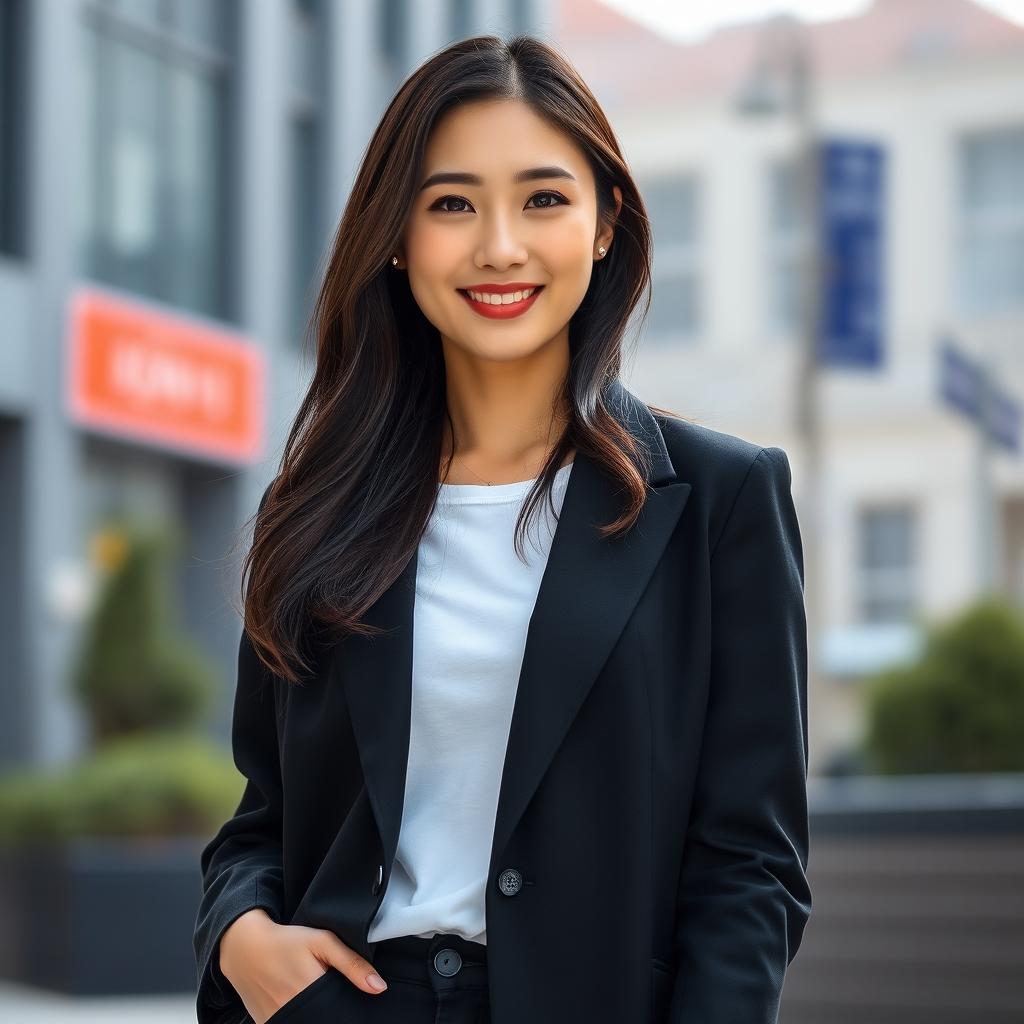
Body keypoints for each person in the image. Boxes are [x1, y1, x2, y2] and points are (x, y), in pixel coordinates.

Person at [192, 33, 811, 1024]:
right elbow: (259, 823)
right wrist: (241, 936)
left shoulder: (720, 501)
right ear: (396, 234)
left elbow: (749, 863)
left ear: (605, 222)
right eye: (450, 204)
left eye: (542, 198)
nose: (498, 246)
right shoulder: (315, 506)